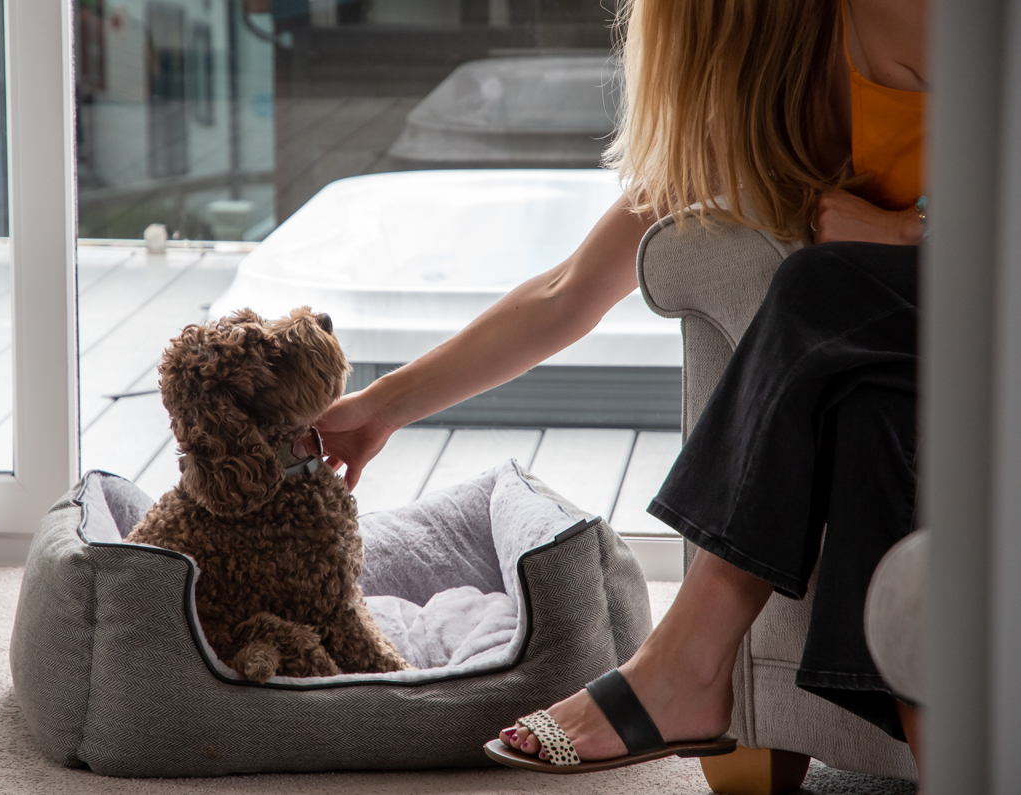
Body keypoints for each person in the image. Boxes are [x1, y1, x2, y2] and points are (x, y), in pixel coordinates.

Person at [316, 0, 927, 779]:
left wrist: (906, 233)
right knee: (865, 412)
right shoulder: (753, 107)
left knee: (818, 284)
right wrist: (379, 409)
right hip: (921, 362)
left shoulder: (904, 17)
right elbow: (565, 294)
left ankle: (682, 665)